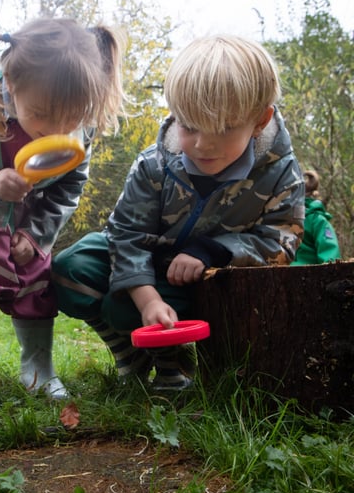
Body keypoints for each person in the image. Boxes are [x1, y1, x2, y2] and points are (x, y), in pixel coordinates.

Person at [52, 34, 306, 390]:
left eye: (225, 128)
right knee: (70, 268)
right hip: (147, 266)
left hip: (212, 280)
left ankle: (173, 366)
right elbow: (125, 234)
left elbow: (282, 239)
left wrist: (213, 251)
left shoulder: (280, 172)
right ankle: (128, 350)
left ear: (260, 120)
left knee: (120, 307)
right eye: (189, 126)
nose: (203, 144)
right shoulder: (153, 166)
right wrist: (146, 297)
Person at [0, 17, 127, 409]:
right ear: (12, 85)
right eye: (43, 113)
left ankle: (38, 366)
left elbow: (70, 186)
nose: (57, 128)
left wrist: (35, 234)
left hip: (30, 213)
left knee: (36, 273)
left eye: (71, 118)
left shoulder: (76, 120)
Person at [291, 169, 341, 265]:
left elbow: (330, 257)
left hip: (303, 276)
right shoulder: (319, 221)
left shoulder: (316, 220)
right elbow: (331, 258)